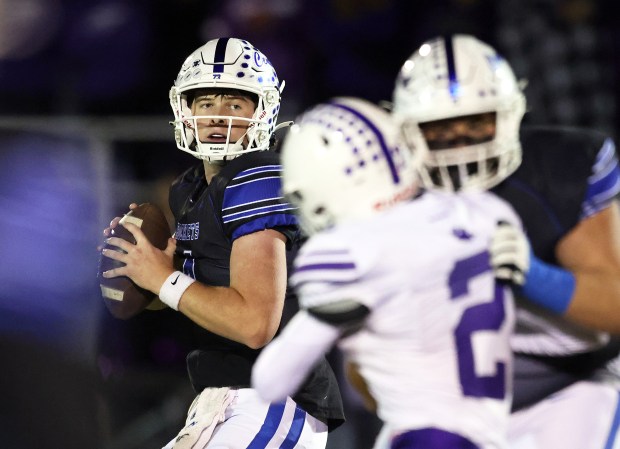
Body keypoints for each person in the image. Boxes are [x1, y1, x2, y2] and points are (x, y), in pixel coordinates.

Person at [101, 37, 344, 449]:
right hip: (224, 401)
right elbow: (204, 298)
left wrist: (163, 280)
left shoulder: (257, 178)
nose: (218, 117)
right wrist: (142, 267)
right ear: (185, 109)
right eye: (206, 103)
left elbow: (253, 325)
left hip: (273, 401)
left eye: (235, 104)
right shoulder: (189, 189)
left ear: (262, 112)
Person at [387, 34, 620, 448]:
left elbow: (614, 308)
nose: (460, 139)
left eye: (477, 121)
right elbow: (365, 377)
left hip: (571, 381)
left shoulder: (559, 168)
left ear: (510, 115)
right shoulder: (384, 194)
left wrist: (536, 277)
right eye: (441, 126)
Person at [251, 96, 523, 448]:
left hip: (430, 436)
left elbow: (271, 381)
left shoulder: (351, 252)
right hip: (504, 431)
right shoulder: (482, 211)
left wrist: (324, 318)